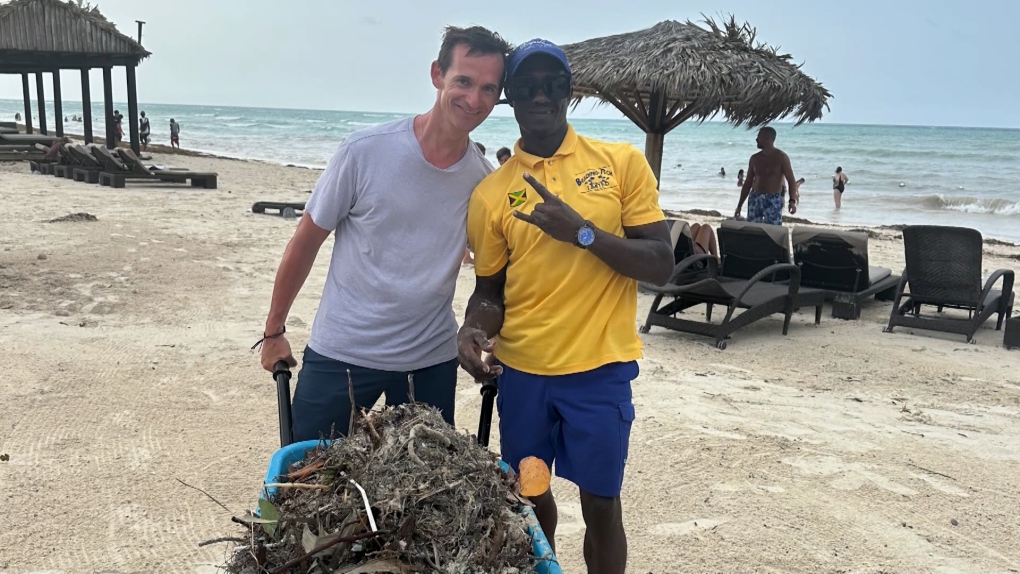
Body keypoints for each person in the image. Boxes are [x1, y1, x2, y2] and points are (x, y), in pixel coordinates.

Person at [457, 38, 673, 574]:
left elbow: (661, 263)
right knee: (531, 497)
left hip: (599, 375)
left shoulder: (620, 162)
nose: (540, 95)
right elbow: (490, 291)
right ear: (509, 96)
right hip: (525, 376)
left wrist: (582, 233)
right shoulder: (493, 193)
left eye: (552, 84)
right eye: (525, 86)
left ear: (569, 92)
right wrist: (472, 329)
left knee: (602, 505)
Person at [257, 25, 510, 443]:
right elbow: (305, 241)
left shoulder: (484, 182)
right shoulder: (364, 151)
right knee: (308, 482)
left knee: (422, 499)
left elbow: (495, 276)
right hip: (342, 352)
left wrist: (493, 332)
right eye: (463, 81)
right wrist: (273, 331)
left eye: (488, 88)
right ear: (437, 74)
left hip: (429, 360)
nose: (474, 99)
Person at [733, 127, 798, 225]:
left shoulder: (782, 157)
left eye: (759, 136)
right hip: (755, 197)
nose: (756, 139)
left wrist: (792, 201)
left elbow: (791, 181)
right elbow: (747, 183)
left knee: (773, 232)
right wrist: (739, 206)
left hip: (773, 199)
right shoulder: (755, 158)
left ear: (767, 138)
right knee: (753, 231)